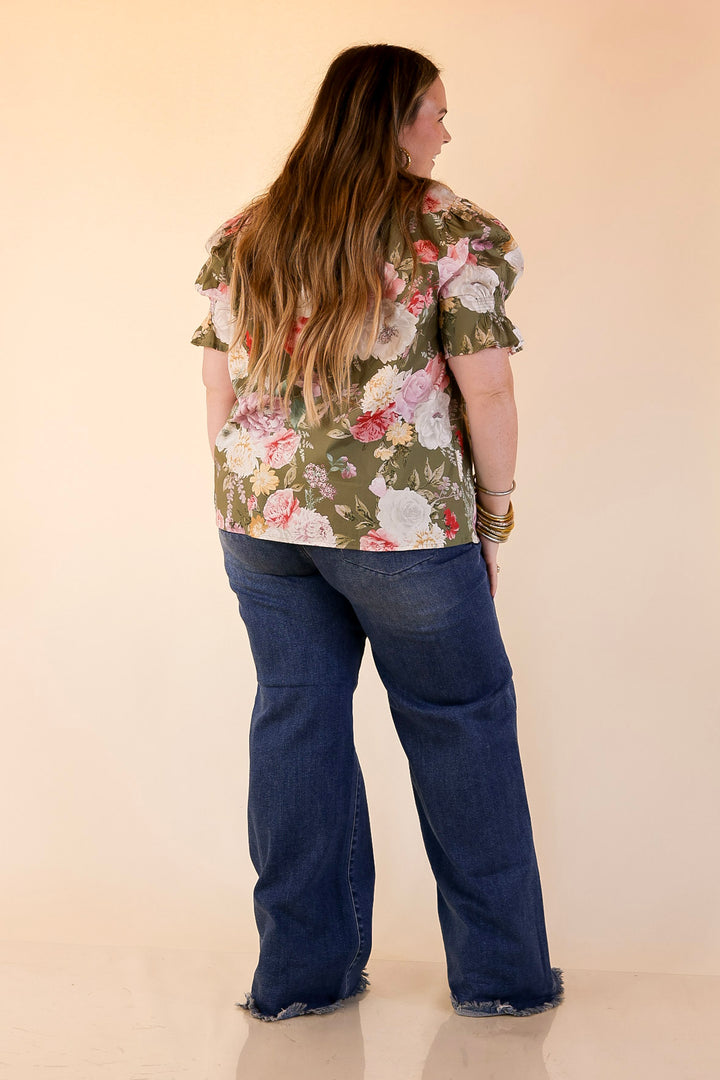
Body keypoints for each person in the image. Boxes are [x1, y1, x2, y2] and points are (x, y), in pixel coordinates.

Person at [190, 43, 564, 1022]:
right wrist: (494, 513)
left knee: (296, 719)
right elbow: (488, 388)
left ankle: (298, 980)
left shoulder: (251, 229)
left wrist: (269, 487)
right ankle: (502, 981)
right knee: (461, 724)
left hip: (262, 519)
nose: (446, 130)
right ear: (393, 119)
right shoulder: (449, 230)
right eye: (437, 111)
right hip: (403, 526)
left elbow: (219, 382)